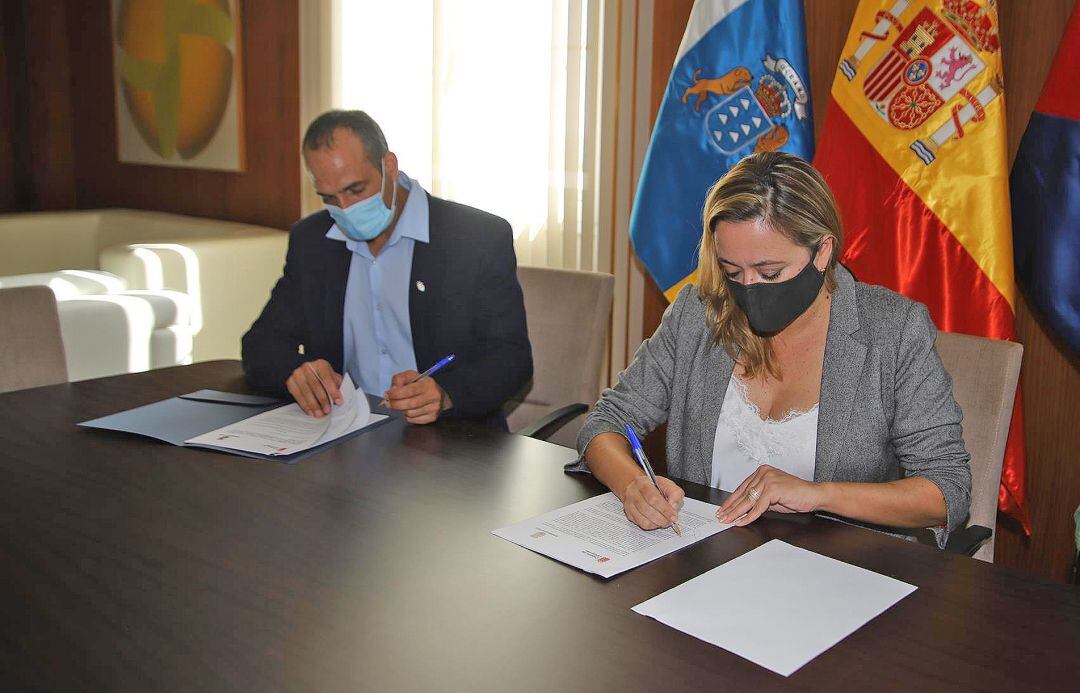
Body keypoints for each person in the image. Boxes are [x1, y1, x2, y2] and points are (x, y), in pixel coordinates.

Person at [572, 151, 971, 547]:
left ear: (823, 250)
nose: (748, 287)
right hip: (704, 559)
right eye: (732, 271)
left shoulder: (892, 331)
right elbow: (607, 421)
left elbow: (944, 490)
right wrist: (633, 485)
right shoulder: (698, 314)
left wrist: (819, 494)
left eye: (770, 272)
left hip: (841, 571)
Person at [242, 110, 532, 426]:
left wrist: (446, 393)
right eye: (329, 197)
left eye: (355, 190)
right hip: (344, 433)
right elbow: (260, 345)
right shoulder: (313, 241)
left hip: (450, 439)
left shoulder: (475, 238)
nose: (345, 208)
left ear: (389, 166)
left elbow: (511, 359)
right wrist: (296, 372)